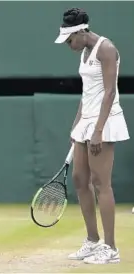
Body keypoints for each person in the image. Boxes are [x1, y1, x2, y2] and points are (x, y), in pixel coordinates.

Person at [54, 7, 130, 264]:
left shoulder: (106, 49)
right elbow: (88, 94)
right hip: (86, 122)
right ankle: (92, 240)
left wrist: (98, 130)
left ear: (81, 31)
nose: (68, 45)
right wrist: (76, 127)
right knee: (79, 179)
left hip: (104, 122)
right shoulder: (85, 51)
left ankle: (111, 249)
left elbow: (109, 92)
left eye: (69, 39)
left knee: (101, 183)